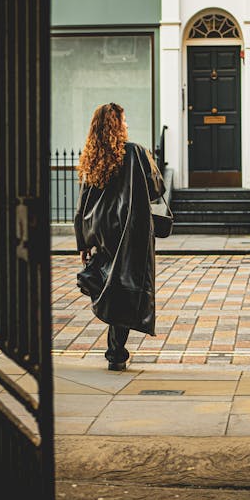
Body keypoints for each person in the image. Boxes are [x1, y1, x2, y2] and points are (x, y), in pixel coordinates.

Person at [74, 103, 165, 370]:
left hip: (102, 232)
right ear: (116, 125)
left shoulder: (92, 156)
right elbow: (156, 187)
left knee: (111, 284)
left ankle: (115, 349)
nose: (127, 125)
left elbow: (83, 203)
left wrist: (83, 241)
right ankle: (116, 352)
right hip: (129, 231)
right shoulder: (135, 152)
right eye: (123, 121)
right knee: (126, 287)